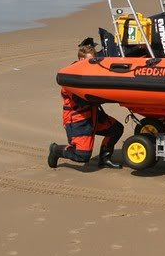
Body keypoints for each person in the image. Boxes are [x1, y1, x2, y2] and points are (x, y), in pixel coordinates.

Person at [48, 38, 124, 170]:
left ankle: (104, 159)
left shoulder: (91, 73)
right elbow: (82, 100)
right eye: (89, 61)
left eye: (93, 61)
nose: (92, 64)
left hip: (92, 115)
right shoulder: (71, 78)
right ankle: (56, 150)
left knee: (116, 129)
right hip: (78, 120)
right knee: (82, 156)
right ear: (80, 60)